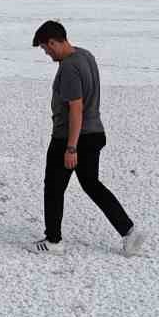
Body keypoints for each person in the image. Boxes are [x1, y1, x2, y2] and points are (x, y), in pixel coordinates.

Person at [28, 20, 146, 257]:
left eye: (46, 48)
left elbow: (75, 109)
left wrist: (71, 148)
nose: (47, 53)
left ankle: (53, 241)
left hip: (71, 137)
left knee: (53, 187)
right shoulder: (86, 55)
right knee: (92, 185)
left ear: (53, 42)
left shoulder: (70, 67)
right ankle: (129, 232)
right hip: (94, 133)